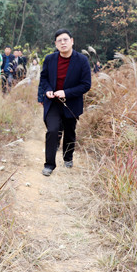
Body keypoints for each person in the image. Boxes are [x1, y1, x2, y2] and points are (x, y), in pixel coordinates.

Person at [38, 29, 92, 176]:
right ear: (56, 44)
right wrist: (47, 90)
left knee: (69, 132)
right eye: (59, 41)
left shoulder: (82, 60)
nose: (63, 43)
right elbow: (44, 78)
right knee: (52, 130)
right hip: (53, 102)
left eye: (65, 40)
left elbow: (86, 85)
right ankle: (49, 165)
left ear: (72, 41)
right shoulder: (50, 59)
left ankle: (68, 157)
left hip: (71, 103)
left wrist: (66, 92)